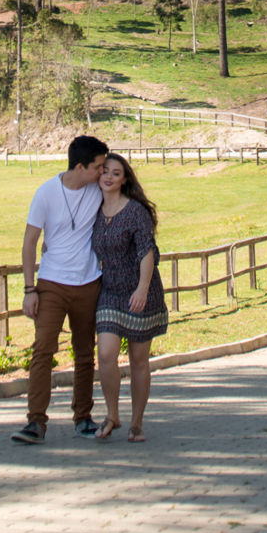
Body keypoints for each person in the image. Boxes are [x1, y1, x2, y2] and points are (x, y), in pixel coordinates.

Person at [11, 134, 109, 444]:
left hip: (88, 282)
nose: (102, 173)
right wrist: (30, 289)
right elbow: (29, 242)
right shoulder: (46, 193)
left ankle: (83, 418)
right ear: (80, 167)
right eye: (97, 167)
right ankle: (35, 422)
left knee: (84, 354)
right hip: (52, 283)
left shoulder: (98, 190)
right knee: (43, 350)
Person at [90, 152, 167, 443]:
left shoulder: (135, 211)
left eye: (116, 173)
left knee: (138, 360)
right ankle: (112, 414)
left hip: (140, 292)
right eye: (105, 171)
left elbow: (147, 252)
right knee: (106, 355)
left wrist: (143, 288)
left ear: (124, 180)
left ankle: (137, 423)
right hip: (110, 291)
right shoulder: (93, 208)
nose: (108, 177)